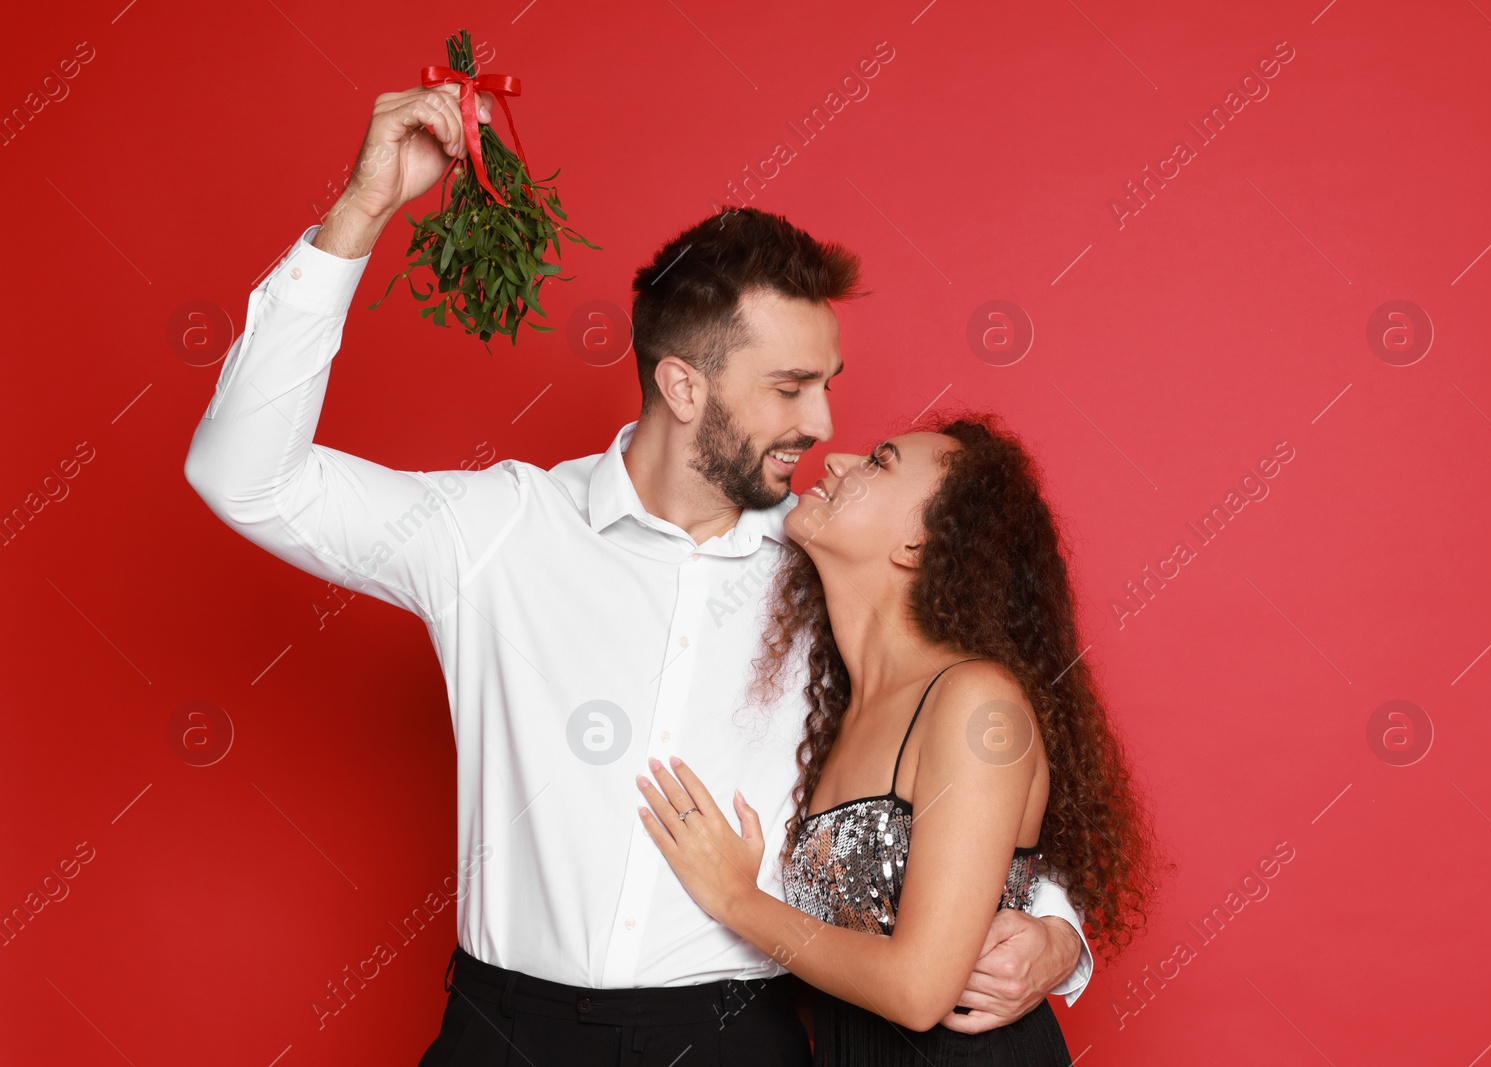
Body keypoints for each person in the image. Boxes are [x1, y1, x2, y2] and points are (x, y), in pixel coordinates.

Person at [182, 78, 1094, 1066]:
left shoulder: (835, 565)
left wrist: (1055, 936)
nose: (825, 425)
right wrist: (360, 209)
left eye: (827, 384)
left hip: (737, 1037)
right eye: (790, 387)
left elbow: (958, 771)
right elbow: (243, 475)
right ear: (683, 383)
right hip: (503, 1033)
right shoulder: (499, 526)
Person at [638, 418, 1159, 1064]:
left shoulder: (976, 702)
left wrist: (737, 899)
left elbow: (918, 990)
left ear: (919, 545)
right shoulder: (833, 705)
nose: (836, 460)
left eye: (879, 463)